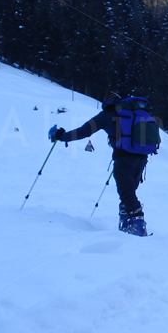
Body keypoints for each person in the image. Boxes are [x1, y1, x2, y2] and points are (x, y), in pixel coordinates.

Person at [49, 91, 150, 237]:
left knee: (126, 193)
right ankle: (127, 223)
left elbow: (83, 132)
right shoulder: (134, 114)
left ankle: (137, 225)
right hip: (142, 157)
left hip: (124, 158)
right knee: (129, 191)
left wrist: (61, 136)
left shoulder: (106, 116)